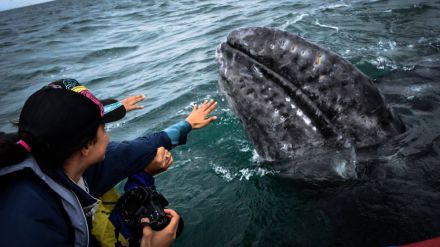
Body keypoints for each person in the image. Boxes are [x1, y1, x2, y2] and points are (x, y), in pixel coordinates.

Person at [0, 78, 217, 247]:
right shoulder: (28, 225)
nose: (108, 135)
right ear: (85, 146)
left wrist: (186, 125)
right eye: (103, 127)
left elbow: (140, 148)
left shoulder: (55, 151)